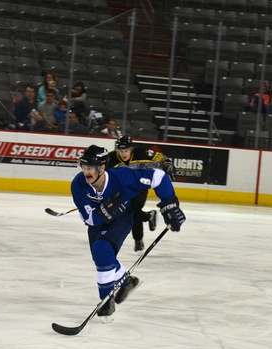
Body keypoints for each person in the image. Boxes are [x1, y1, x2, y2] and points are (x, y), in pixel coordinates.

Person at [69, 144, 185, 320]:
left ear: (101, 168)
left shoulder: (123, 176)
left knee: (102, 250)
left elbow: (159, 177)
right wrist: (103, 213)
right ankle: (127, 281)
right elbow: (88, 219)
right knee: (102, 258)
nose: (86, 171)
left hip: (123, 217)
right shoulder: (78, 185)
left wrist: (170, 204)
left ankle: (106, 302)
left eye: (90, 167)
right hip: (97, 222)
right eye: (84, 167)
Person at [106, 135, 175, 252]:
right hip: (122, 190)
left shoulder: (143, 153)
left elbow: (160, 157)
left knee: (133, 208)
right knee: (128, 211)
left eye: (126, 150)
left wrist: (167, 163)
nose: (123, 154)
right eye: (121, 150)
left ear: (131, 149)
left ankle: (138, 240)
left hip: (140, 187)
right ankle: (148, 217)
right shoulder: (110, 158)